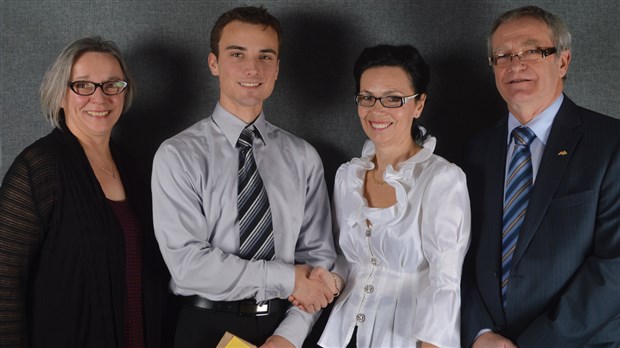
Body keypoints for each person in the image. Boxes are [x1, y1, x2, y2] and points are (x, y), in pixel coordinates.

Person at [151, 6, 337, 348]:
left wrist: (289, 336)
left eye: (265, 56)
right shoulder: (177, 155)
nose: (253, 68)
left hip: (284, 325)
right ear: (214, 63)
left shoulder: (303, 157)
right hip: (203, 328)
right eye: (237, 54)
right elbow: (188, 266)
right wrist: (287, 279)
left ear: (278, 68)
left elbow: (319, 261)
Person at [461, 5, 620, 347]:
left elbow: (615, 267)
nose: (515, 64)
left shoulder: (611, 144)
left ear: (562, 61)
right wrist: (479, 332)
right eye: (502, 55)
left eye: (532, 51)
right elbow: (457, 252)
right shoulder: (473, 151)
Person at [0, 36, 165, 347]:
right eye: (83, 85)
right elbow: (4, 281)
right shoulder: (39, 167)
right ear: (60, 95)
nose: (99, 98)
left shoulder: (131, 166)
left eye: (112, 84)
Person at [314, 44, 470, 348]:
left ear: (419, 104)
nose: (377, 110)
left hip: (407, 339)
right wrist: (330, 280)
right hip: (341, 334)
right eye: (367, 97)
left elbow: (445, 282)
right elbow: (348, 259)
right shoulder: (347, 176)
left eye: (393, 98)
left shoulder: (442, 179)